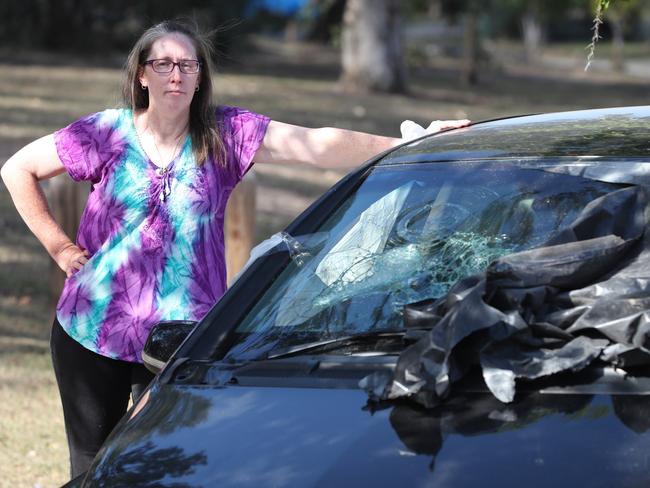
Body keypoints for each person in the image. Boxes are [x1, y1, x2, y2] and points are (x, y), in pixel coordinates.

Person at [0, 19, 470, 478]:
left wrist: (414, 140)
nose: (177, 74)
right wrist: (61, 248)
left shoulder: (223, 134)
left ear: (201, 77)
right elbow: (17, 169)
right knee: (92, 468)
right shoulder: (106, 133)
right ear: (141, 75)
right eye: (163, 64)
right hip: (91, 330)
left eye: (188, 65)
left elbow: (315, 146)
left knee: (163, 466)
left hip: (179, 339)